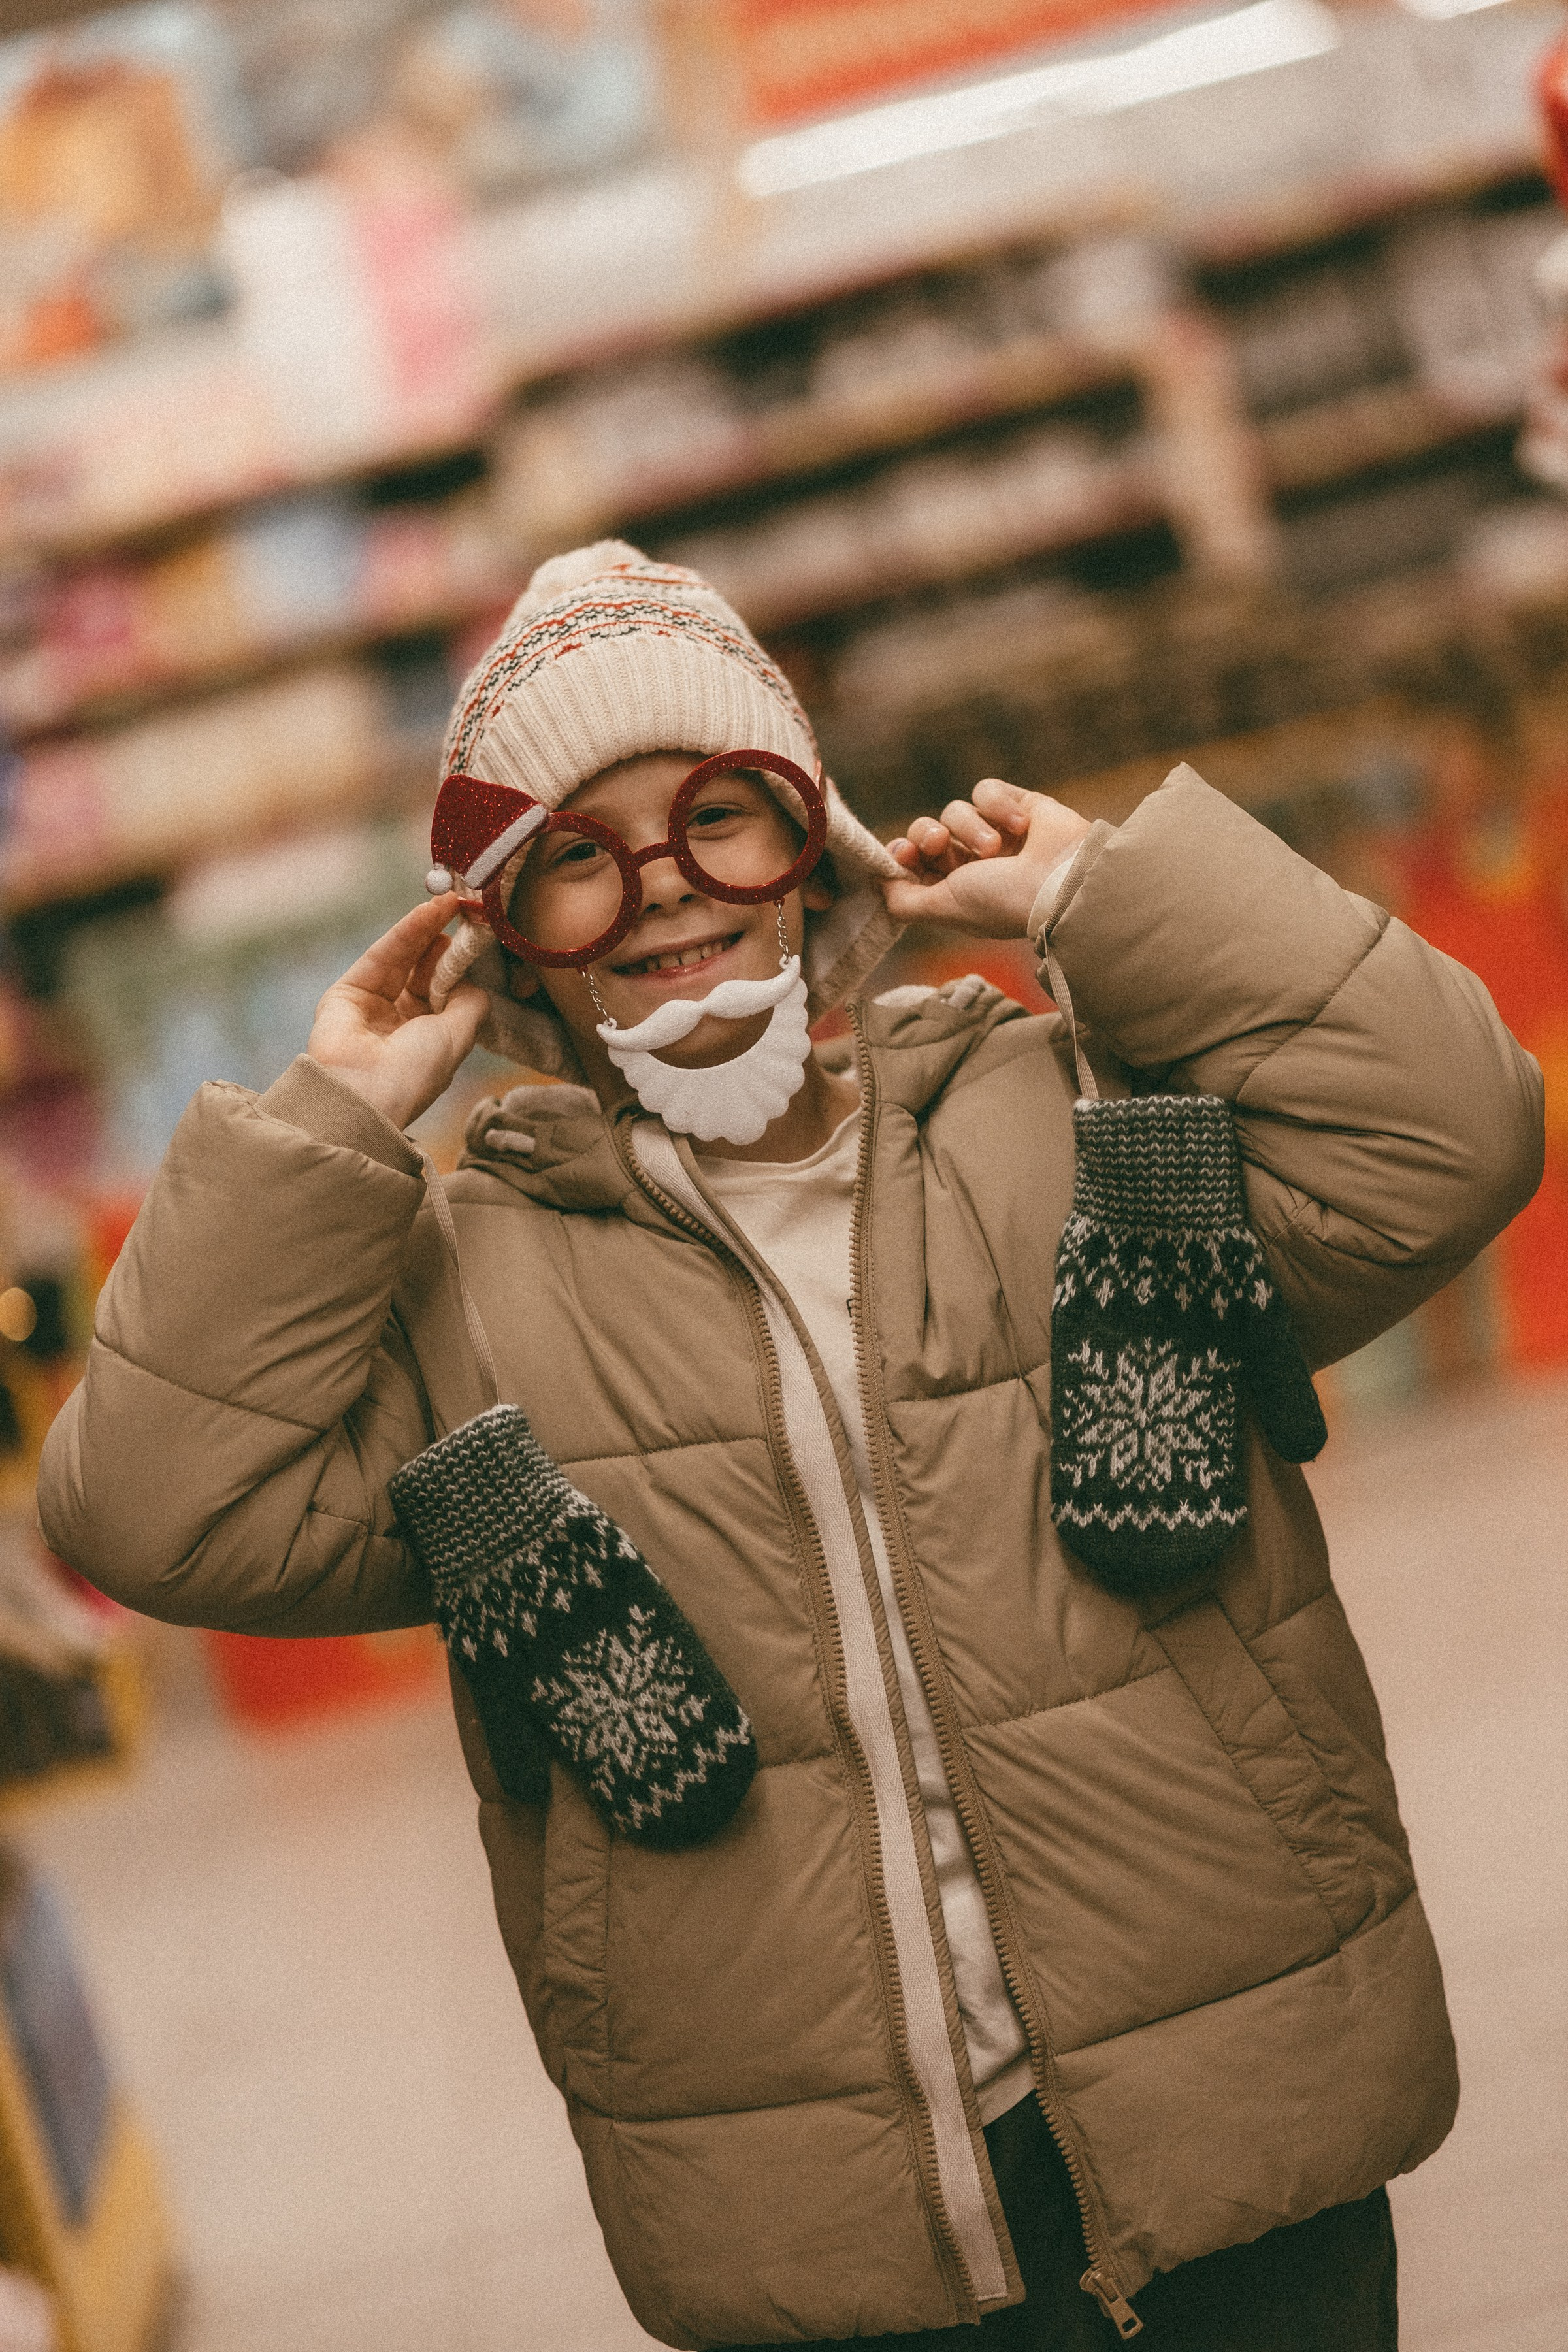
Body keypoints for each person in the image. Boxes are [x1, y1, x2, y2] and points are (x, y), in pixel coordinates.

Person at [38, 543, 1543, 2350]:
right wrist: (329, 1129)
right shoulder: (466, 1285)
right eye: (577, 859)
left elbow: (1450, 1135)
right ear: (505, 927)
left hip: (1236, 2084)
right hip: (823, 2205)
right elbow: (146, 1510)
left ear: (807, 835)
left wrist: (1104, 894)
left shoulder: (1060, 1115)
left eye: (717, 819)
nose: (665, 895)